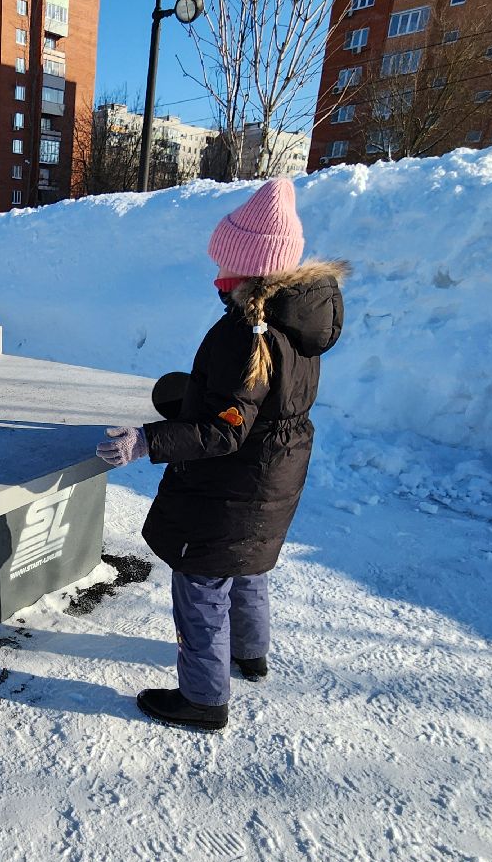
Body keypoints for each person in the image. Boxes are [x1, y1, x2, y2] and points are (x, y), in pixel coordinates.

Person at [96, 178, 346, 731]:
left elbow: (226, 428)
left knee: (203, 583)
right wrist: (192, 391)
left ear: (250, 270)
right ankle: (249, 654)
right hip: (274, 474)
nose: (216, 277)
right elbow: (259, 398)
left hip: (231, 480)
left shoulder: (245, 333)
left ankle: (204, 700)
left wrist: (149, 440)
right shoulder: (299, 323)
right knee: (248, 565)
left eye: (224, 267)